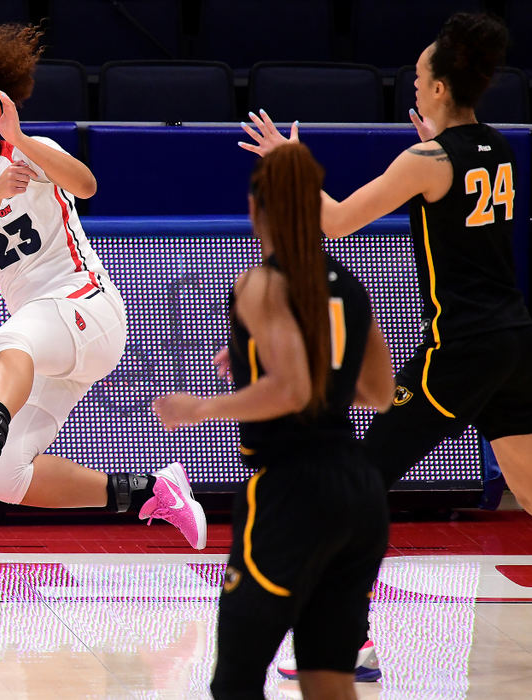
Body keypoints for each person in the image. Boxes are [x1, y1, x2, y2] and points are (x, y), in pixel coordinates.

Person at [240, 10, 532, 681]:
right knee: (528, 484)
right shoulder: (501, 148)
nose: (415, 80)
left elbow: (336, 222)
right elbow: (459, 193)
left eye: (422, 74)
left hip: (461, 346)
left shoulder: (425, 160)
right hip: (516, 339)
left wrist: (289, 163)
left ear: (435, 91)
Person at [0, 15, 206, 549]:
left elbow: (88, 184)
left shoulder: (30, 150)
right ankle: (150, 492)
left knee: (10, 338)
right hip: (50, 347)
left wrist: (20, 138)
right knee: (5, 480)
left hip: (86, 306)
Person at [154, 142, 395, 699]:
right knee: (327, 676)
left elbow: (291, 388)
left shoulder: (262, 282)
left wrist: (201, 408)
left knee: (235, 681)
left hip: (292, 491)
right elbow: (378, 392)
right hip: (359, 493)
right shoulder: (350, 286)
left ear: (254, 207)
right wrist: (250, 363)